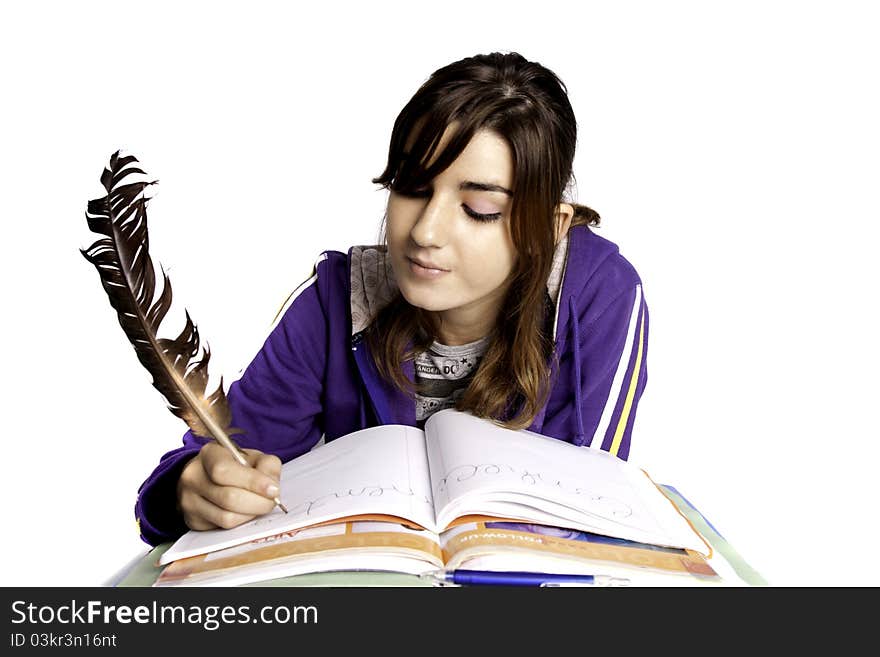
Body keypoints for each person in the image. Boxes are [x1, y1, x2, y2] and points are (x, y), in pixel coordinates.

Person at [134, 51, 649, 547]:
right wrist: (188, 492)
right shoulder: (335, 303)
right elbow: (220, 458)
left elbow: (587, 499)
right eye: (413, 187)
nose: (425, 232)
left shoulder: (597, 296)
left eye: (478, 208)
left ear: (550, 226)